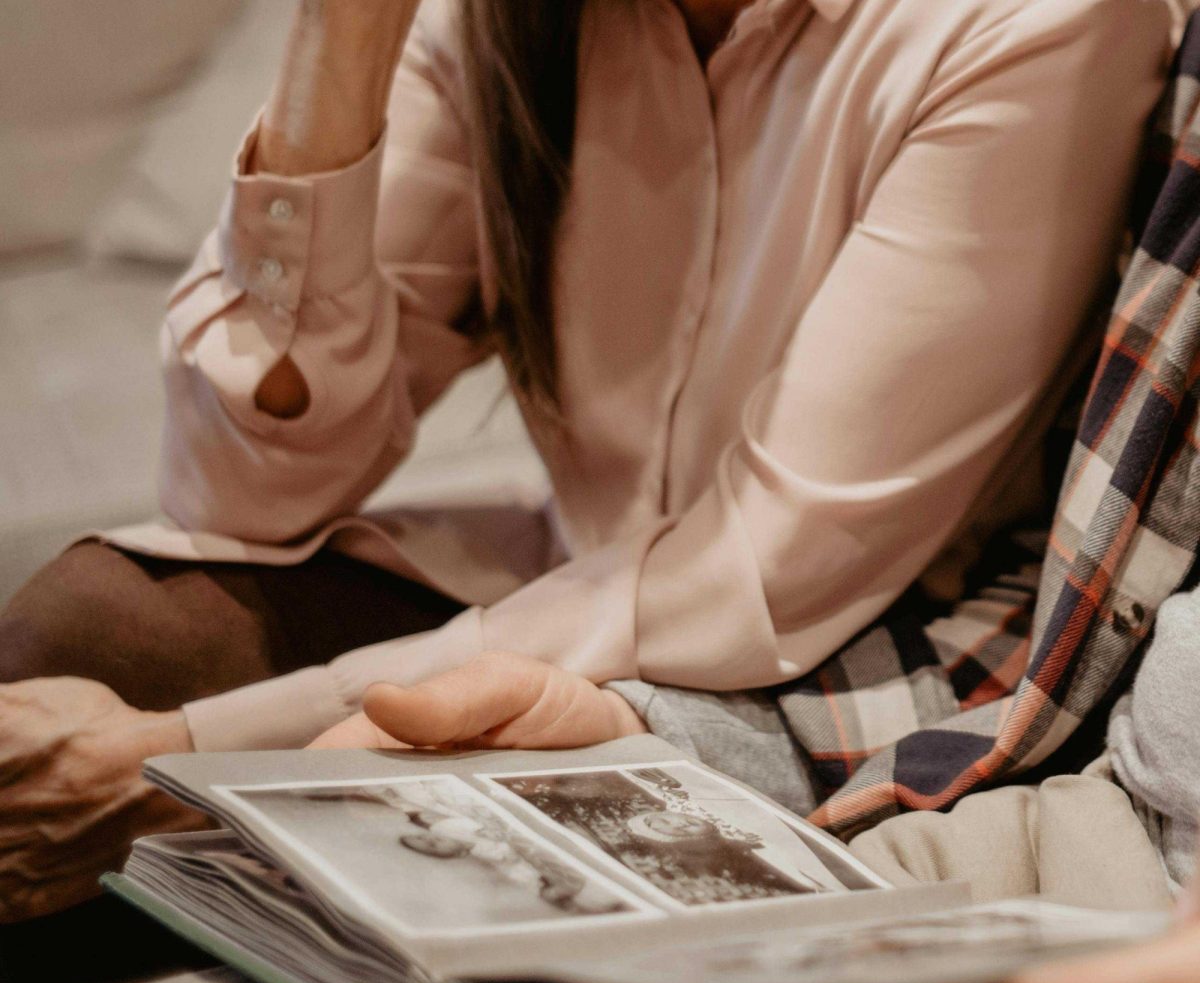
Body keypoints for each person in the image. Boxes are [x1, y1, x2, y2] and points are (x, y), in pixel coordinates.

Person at [0, 0, 1184, 932]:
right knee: (97, 625)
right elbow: (246, 485)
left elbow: (758, 574)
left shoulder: (1036, 20)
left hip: (860, 654)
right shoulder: (511, 20)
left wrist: (193, 756)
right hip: (603, 583)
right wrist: (340, 41)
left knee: (133, 723)